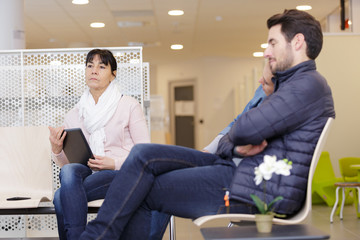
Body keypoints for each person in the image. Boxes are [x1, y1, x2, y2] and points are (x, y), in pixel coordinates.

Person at [79, 9, 335, 239]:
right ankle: (98, 235)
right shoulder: (291, 85)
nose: (267, 51)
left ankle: (96, 236)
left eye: (272, 42)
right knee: (143, 154)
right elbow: (239, 131)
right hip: (233, 168)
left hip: (248, 187)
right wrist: (234, 144)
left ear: (298, 42)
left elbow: (244, 128)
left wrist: (235, 140)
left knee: (146, 188)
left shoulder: (306, 85)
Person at [150, 61, 274, 239]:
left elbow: (243, 138)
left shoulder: (281, 105)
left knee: (156, 184)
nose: (260, 81)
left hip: (236, 174)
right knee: (154, 164)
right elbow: (236, 124)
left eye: (266, 79)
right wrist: (211, 149)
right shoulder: (262, 91)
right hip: (224, 159)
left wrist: (230, 143)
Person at [48, 49, 150, 240]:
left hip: (123, 173)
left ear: (113, 74)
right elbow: (67, 164)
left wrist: (113, 163)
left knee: (61, 197)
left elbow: (145, 152)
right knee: (68, 172)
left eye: (101, 66)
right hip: (88, 173)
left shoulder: (128, 105)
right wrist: (57, 150)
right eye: (90, 65)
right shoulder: (75, 113)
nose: (94, 71)